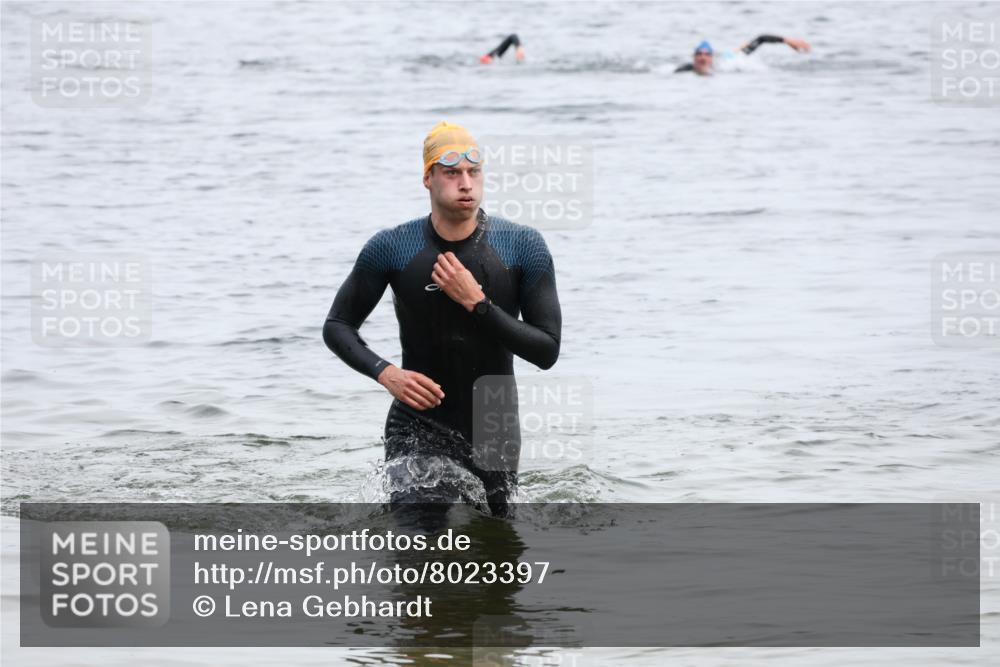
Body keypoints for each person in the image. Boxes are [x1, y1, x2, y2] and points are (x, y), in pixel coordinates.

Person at [323, 121, 561, 517]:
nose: (466, 184)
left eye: (474, 172)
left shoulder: (522, 246)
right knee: (420, 534)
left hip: (494, 427)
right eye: (452, 173)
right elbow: (337, 326)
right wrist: (386, 373)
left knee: (495, 546)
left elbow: (547, 350)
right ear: (428, 179)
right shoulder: (393, 247)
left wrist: (478, 303)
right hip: (417, 423)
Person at [674, 35, 811, 75]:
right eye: (699, 54)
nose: (702, 57)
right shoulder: (685, 69)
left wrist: (787, 41)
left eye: (706, 54)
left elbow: (760, 39)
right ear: (694, 57)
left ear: (712, 57)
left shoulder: (727, 63)